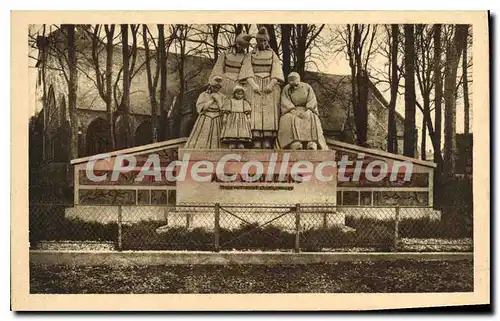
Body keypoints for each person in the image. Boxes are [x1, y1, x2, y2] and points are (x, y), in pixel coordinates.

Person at [247, 26, 284, 149]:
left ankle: (268, 139)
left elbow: (277, 71)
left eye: (264, 41)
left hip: (269, 86)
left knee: (269, 113)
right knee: (256, 113)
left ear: (267, 41)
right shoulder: (250, 55)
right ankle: (256, 139)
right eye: (259, 41)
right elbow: (246, 71)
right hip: (255, 86)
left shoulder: (272, 54)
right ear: (257, 42)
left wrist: (272, 84)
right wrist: (253, 84)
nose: (262, 43)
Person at [278, 72, 328, 150]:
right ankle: (294, 142)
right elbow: (285, 100)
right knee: (287, 118)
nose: (294, 87)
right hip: (292, 110)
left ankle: (312, 142)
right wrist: (292, 110)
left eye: (295, 85)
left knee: (312, 117)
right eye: (292, 85)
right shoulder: (286, 88)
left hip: (306, 109)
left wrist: (308, 110)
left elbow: (312, 99)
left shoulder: (307, 87)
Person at [184, 76, 225, 149]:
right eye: (214, 87)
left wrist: (218, 100)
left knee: (216, 136)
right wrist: (212, 100)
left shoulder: (222, 96)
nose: (216, 89)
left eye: (218, 88)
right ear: (210, 86)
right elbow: (200, 108)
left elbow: (223, 109)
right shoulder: (203, 95)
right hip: (205, 118)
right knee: (202, 137)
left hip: (218, 118)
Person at [210, 32, 254, 98]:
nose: (241, 48)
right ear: (236, 44)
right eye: (240, 45)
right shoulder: (225, 54)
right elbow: (218, 68)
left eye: (244, 47)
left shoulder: (246, 57)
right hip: (225, 82)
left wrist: (242, 81)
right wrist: (216, 80)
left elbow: (246, 71)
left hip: (238, 83)